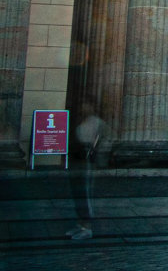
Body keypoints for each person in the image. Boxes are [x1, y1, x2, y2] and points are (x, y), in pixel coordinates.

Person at [67, 102, 106, 240]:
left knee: (85, 194)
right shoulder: (82, 120)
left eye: (86, 104)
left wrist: (97, 154)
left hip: (87, 161)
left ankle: (87, 227)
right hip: (78, 161)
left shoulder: (97, 122)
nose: (83, 107)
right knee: (78, 193)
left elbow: (104, 140)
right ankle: (81, 224)